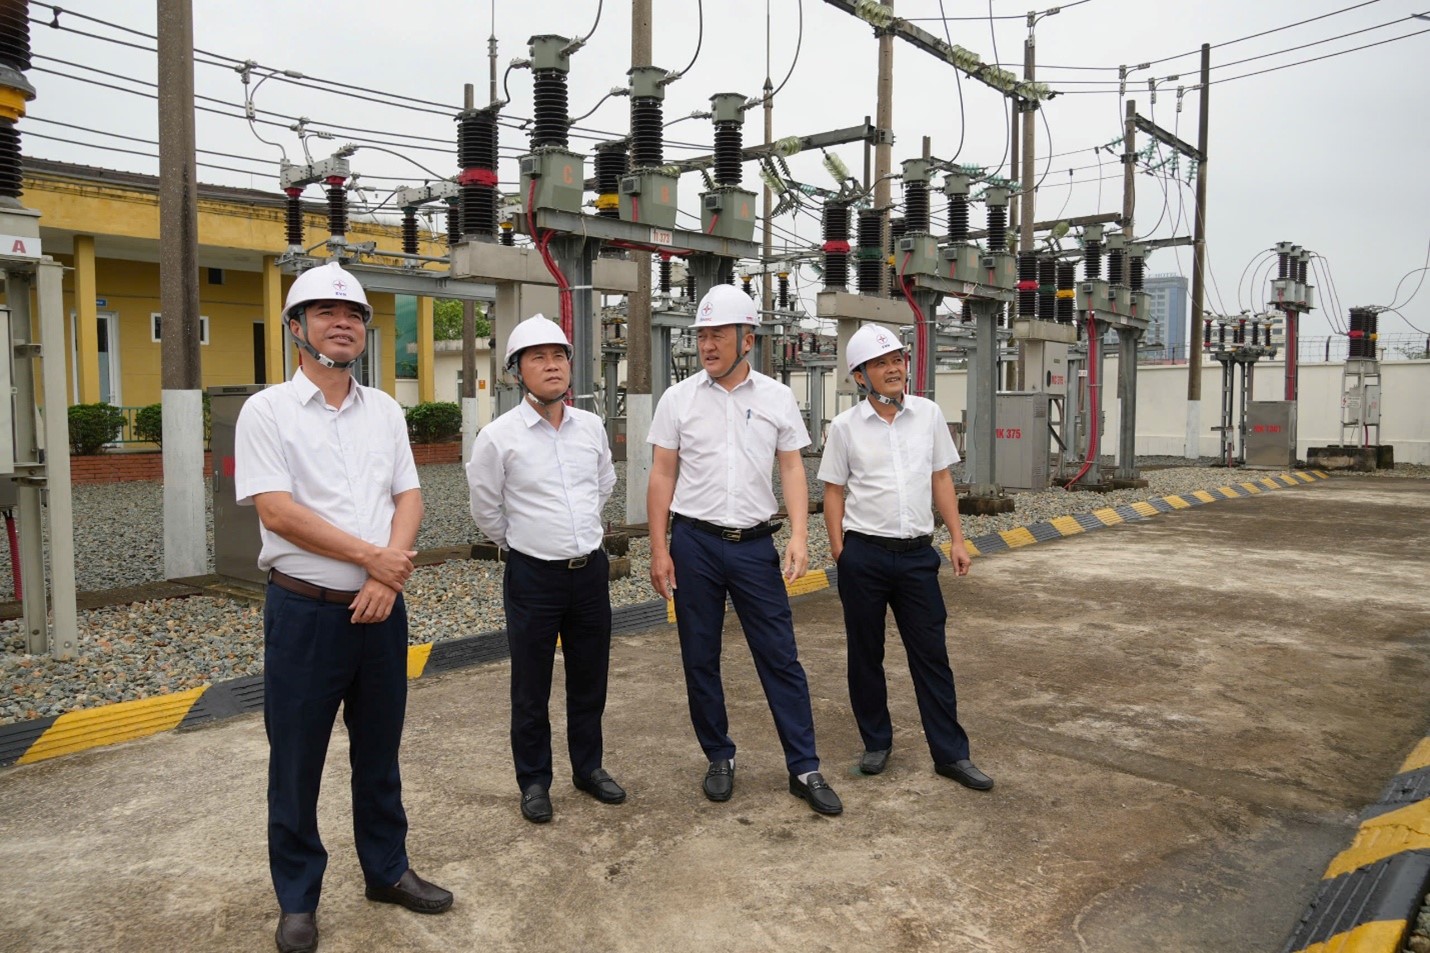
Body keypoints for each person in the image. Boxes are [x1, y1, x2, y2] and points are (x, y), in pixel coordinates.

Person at [236, 261, 453, 953]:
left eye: (354, 314)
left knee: (380, 752)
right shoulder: (266, 411)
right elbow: (277, 511)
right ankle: (298, 898)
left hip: (381, 610)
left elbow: (408, 496)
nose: (343, 323)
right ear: (296, 327)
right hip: (305, 613)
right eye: (327, 312)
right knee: (296, 760)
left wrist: (387, 576)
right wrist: (372, 558)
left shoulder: (384, 409)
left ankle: (386, 869)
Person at [647, 283, 842, 816]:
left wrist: (799, 535)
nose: (707, 345)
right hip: (694, 544)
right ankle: (719, 756)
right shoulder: (678, 400)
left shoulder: (776, 397)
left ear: (747, 339)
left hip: (755, 547)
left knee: (780, 656)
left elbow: (792, 468)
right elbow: (662, 475)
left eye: (718, 334)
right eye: (701, 335)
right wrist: (659, 549)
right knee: (699, 656)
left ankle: (804, 766)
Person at [817, 324, 993, 791]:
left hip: (917, 557)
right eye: (881, 363)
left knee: (932, 655)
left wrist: (957, 539)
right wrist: (840, 552)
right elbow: (833, 492)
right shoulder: (845, 427)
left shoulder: (928, 414)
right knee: (865, 655)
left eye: (898, 359)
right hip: (864, 555)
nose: (894, 369)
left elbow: (941, 479)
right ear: (860, 376)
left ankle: (951, 754)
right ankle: (876, 742)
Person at [467, 314, 624, 824]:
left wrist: (577, 532)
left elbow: (603, 484)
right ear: (517, 371)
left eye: (559, 356)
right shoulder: (498, 437)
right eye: (538, 357)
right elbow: (486, 509)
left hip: (590, 573)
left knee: (590, 678)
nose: (552, 365)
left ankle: (589, 768)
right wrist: (525, 542)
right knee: (531, 684)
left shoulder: (591, 427)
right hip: (533, 577)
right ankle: (534, 780)